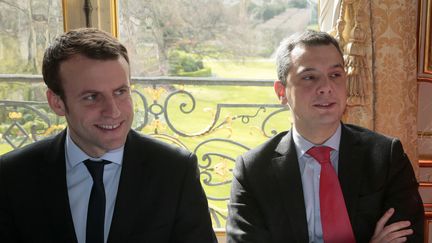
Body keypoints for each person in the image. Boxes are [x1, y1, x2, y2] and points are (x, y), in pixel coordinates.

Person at [0, 28, 216, 243]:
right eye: (92, 97)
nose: (113, 111)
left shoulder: (175, 171)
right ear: (57, 102)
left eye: (120, 92)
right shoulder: (12, 176)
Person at [226, 30, 424, 243]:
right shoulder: (254, 171)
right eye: (309, 77)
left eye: (335, 75)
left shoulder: (385, 157)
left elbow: (409, 238)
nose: (326, 88)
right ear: (281, 92)